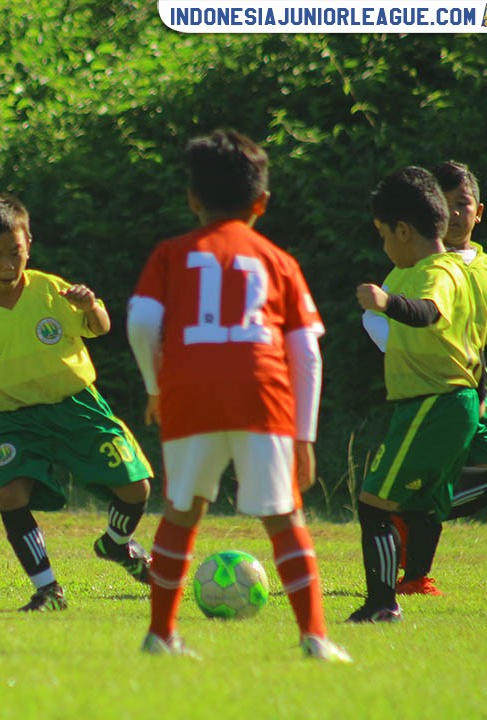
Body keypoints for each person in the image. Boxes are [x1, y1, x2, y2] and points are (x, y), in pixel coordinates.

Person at [126, 129, 349, 661]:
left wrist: (156, 386)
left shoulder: (171, 254)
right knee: (284, 517)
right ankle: (315, 638)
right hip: (261, 395)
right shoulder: (279, 260)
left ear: (193, 199)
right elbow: (307, 353)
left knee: (182, 510)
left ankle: (161, 635)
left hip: (189, 392)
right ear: (261, 202)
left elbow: (141, 322)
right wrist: (304, 436)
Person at [0, 195, 154, 612]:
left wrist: (91, 306)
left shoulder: (50, 289)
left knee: (137, 487)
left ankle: (116, 544)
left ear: (28, 243)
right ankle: (48, 590)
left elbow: (100, 328)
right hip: (17, 420)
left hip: (78, 407)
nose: (7, 265)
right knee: (10, 495)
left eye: (15, 252)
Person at [361, 160, 487, 596]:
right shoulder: (414, 265)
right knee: (444, 485)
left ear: (480, 212)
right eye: (447, 203)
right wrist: (402, 344)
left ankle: (402, 540)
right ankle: (415, 576)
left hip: (469, 390)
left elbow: (486, 327)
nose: (455, 213)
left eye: (464, 204)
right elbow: (380, 317)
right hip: (443, 387)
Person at [349, 165, 487, 623]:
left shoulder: (436, 272)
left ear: (404, 230)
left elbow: (428, 313)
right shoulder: (444, 270)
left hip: (433, 402)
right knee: (419, 505)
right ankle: (399, 590)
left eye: (384, 235)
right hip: (450, 401)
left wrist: (386, 302)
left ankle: (382, 603)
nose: (384, 246)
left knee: (374, 503)